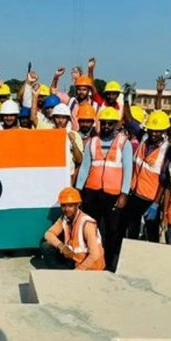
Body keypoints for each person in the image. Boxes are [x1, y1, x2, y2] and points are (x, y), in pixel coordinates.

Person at [75, 107, 133, 272]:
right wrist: (79, 190)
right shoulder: (92, 143)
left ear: (116, 125)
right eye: (104, 123)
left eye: (110, 123)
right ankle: (93, 260)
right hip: (92, 194)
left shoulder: (124, 144)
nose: (106, 126)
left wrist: (124, 194)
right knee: (92, 229)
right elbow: (85, 167)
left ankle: (110, 264)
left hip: (113, 195)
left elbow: (128, 169)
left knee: (112, 231)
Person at [122, 110, 171, 243]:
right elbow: (129, 121)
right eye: (151, 130)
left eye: (158, 131)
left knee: (152, 234)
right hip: (134, 195)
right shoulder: (143, 138)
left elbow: (164, 180)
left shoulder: (167, 150)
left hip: (151, 199)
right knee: (131, 231)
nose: (154, 133)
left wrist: (155, 203)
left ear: (164, 131)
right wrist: (126, 99)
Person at [39, 187, 105, 271]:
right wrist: (62, 247)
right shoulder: (65, 218)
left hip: (90, 267)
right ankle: (61, 275)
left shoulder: (87, 223)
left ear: (78, 205)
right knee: (46, 246)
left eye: (70, 206)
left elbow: (95, 254)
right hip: (74, 260)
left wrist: (78, 271)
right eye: (63, 206)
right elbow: (48, 234)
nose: (66, 209)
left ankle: (67, 276)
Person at [51, 103, 83, 184]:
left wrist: (73, 142)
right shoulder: (48, 133)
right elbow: (34, 118)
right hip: (51, 175)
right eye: (58, 117)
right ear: (53, 118)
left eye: (63, 117)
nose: (60, 120)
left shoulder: (75, 135)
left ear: (68, 119)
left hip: (68, 175)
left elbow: (79, 160)